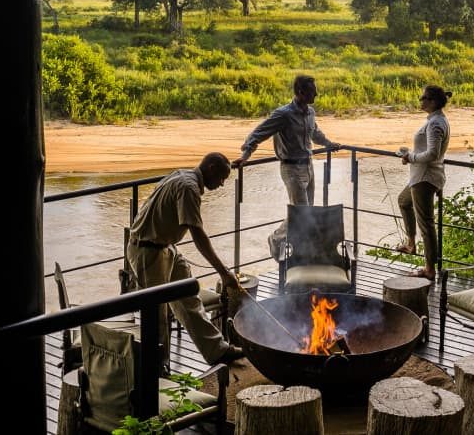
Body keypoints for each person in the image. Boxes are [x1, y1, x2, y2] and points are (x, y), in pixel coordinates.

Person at [126, 152, 245, 365]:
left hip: (164, 246)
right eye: (221, 178)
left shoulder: (184, 175)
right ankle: (158, 370)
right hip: (147, 250)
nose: (222, 184)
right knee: (158, 317)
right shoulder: (189, 188)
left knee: (189, 297)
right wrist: (224, 272)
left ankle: (217, 350)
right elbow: (198, 235)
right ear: (211, 168)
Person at [233, 74, 341, 256]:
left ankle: (299, 250)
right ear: (300, 92)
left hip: (308, 167)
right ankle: (277, 240)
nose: (317, 94)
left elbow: (315, 133)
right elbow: (258, 133)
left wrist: (329, 144)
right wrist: (245, 156)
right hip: (291, 169)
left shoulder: (310, 113)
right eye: (313, 91)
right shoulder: (283, 114)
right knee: (303, 214)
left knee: (304, 212)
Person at [395, 85, 452, 280]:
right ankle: (411, 243)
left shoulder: (436, 123)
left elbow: (433, 154)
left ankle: (429, 269)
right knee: (404, 201)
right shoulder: (434, 120)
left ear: (433, 101)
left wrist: (410, 157)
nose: (421, 100)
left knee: (426, 224)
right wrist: (409, 154)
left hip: (425, 178)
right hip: (419, 176)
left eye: (424, 98)